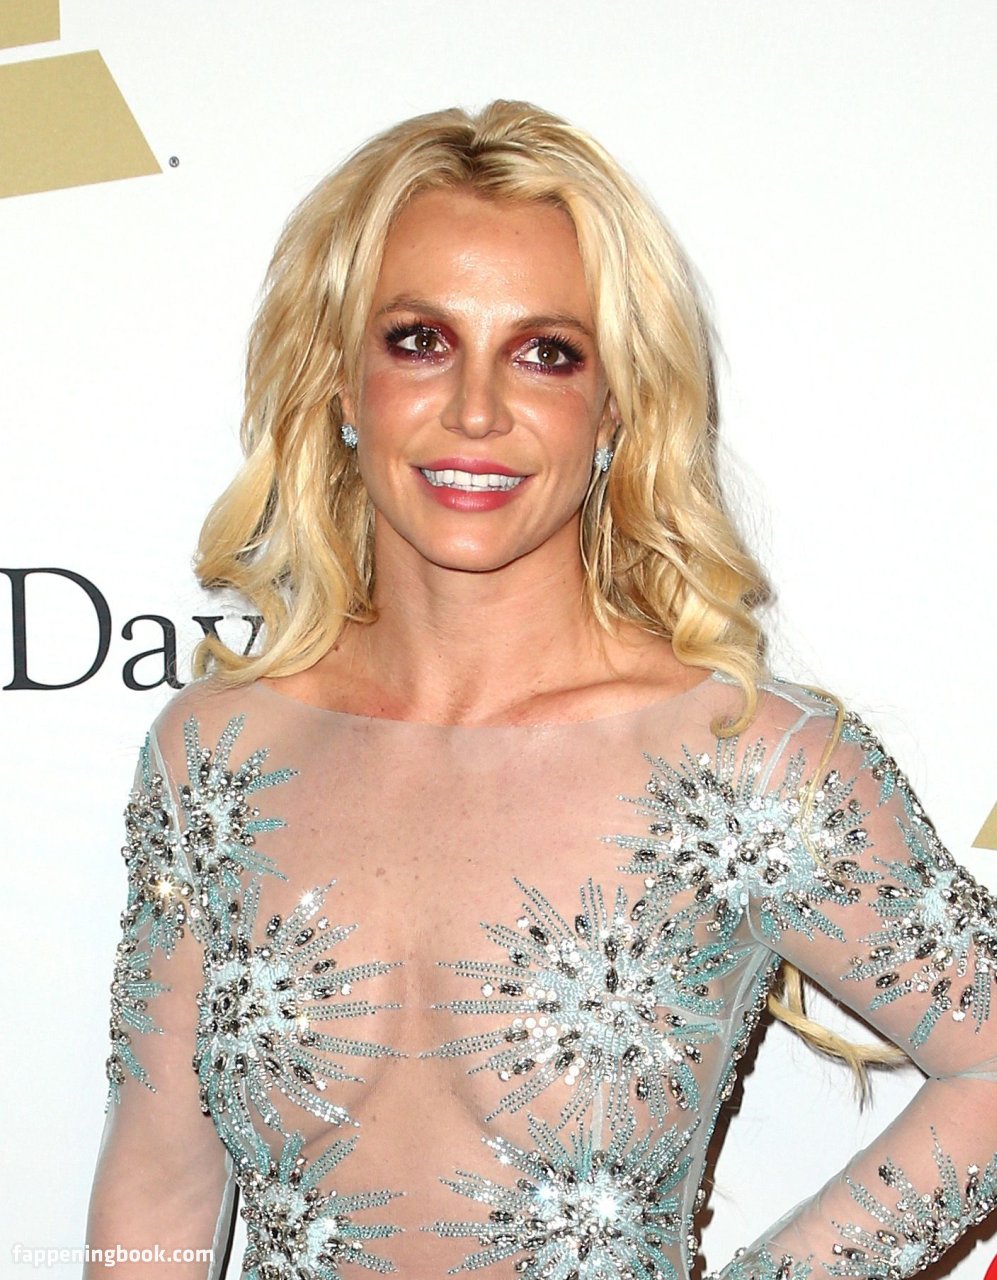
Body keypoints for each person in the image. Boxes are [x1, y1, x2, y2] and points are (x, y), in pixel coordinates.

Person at [84, 100, 997, 1280]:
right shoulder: (213, 755)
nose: (476, 408)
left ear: (615, 404)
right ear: (339, 380)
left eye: (545, 351)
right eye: (419, 338)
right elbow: (159, 1176)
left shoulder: (746, 759)